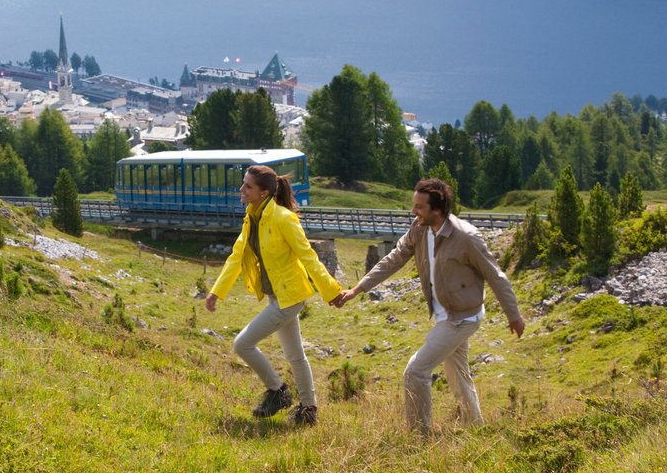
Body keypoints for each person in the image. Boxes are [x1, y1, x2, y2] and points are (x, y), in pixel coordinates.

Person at [336, 178, 525, 435]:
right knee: (457, 372)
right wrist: (358, 289)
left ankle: (418, 434)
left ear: (438, 209)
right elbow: (394, 259)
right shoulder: (419, 229)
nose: (414, 212)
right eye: (414, 205)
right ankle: (475, 426)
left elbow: (496, 276)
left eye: (420, 207)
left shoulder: (466, 237)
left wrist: (513, 316)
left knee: (416, 371)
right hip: (444, 315)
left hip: (461, 317)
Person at [205, 165, 345, 426]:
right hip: (276, 296)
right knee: (296, 355)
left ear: (264, 192)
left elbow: (308, 257)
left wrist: (331, 291)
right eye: (243, 184)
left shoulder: (283, 218)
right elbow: (237, 257)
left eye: (248, 186)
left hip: (290, 297)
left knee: (242, 344)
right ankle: (309, 410)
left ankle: (278, 392)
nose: (241, 189)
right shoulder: (252, 218)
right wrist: (216, 292)